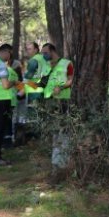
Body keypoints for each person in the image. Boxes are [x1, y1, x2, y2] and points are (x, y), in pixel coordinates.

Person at [41, 43, 74, 171]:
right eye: (42, 53)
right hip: (49, 102)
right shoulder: (45, 65)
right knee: (54, 131)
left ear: (53, 51)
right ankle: (55, 159)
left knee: (63, 130)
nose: (44, 55)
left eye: (45, 53)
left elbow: (71, 80)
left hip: (63, 101)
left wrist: (61, 87)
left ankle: (63, 161)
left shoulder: (67, 63)